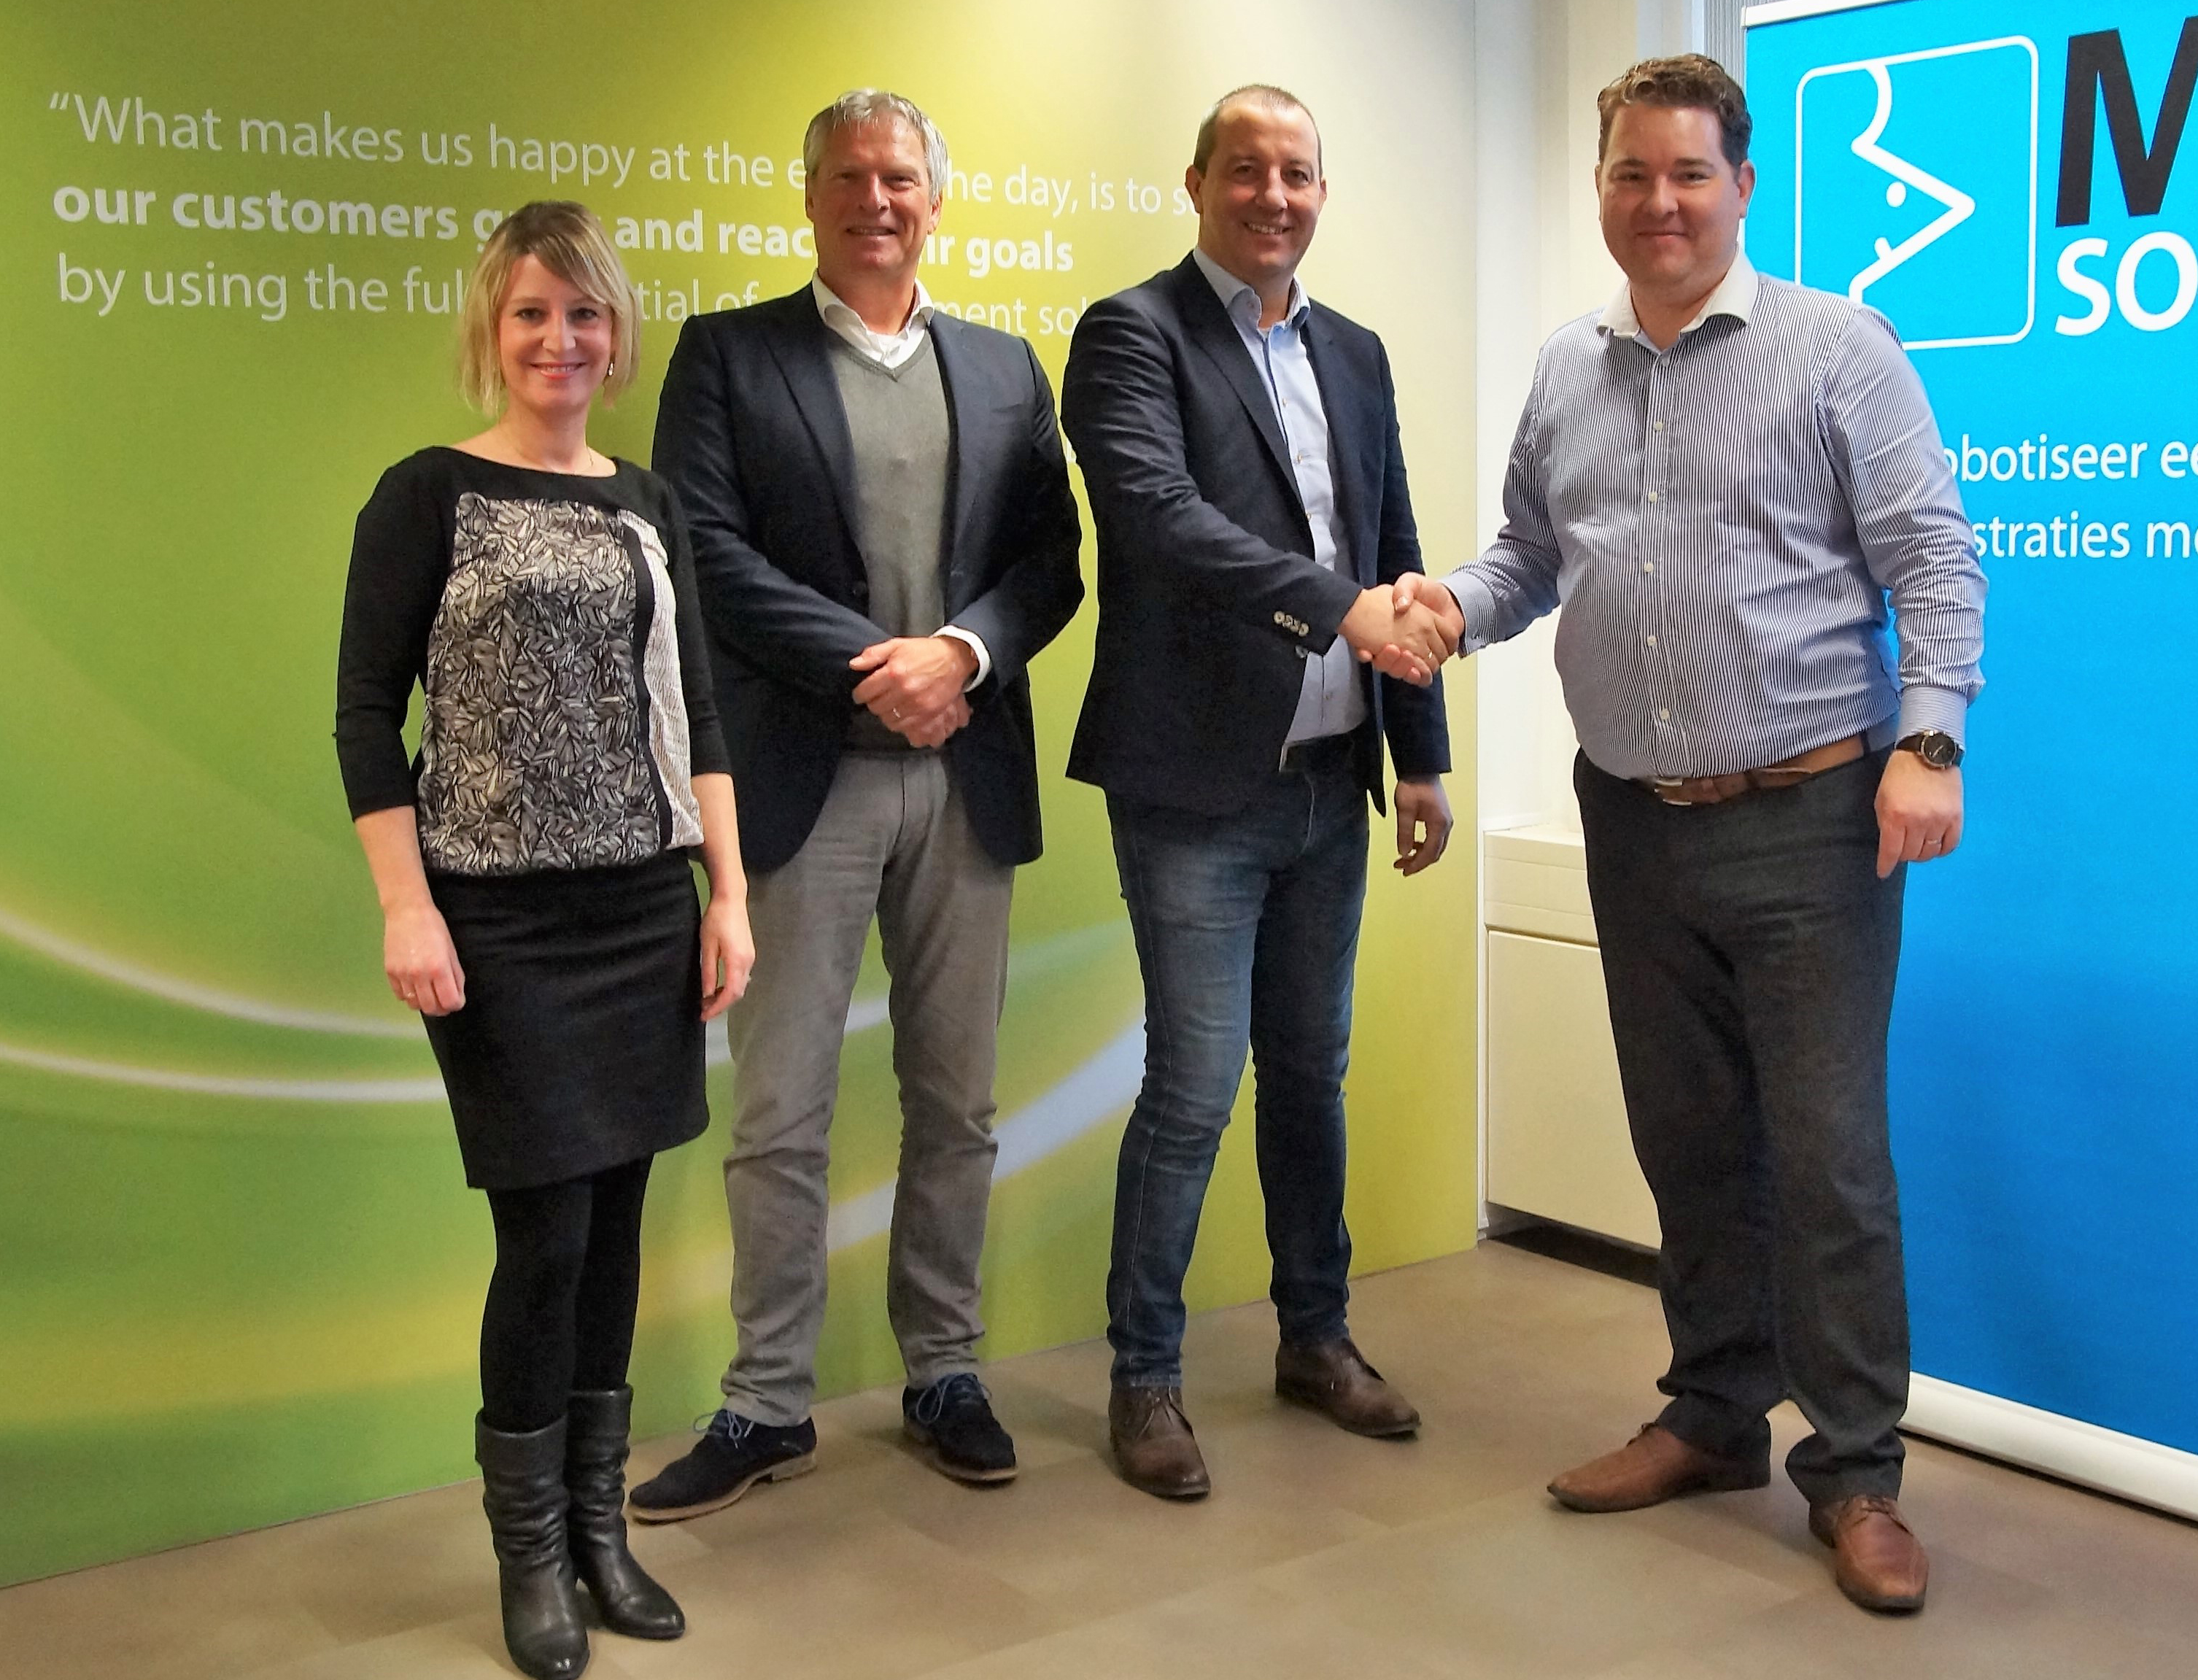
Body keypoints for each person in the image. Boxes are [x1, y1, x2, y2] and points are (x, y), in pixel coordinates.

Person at [1388, 56, 1985, 1613]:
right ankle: (1716, 1415)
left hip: (1810, 821)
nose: (1659, 202)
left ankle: (1857, 1473)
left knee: (1830, 1160)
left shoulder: (1836, 349)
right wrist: (1452, 607)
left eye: (1689, 173)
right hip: (1634, 820)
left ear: (1743, 185)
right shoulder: (1567, 369)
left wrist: (1929, 741)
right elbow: (1532, 557)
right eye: (1631, 174)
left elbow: (1933, 557)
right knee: (1690, 1141)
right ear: (1601, 186)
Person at [630, 90, 1084, 1519]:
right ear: (810, 195)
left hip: (965, 774)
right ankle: (768, 1402)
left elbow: (1053, 560)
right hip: (800, 784)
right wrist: (878, 667)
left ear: (934, 201)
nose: (874, 199)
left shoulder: (1004, 367)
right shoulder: (728, 356)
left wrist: (964, 655)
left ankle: (944, 1370)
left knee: (958, 1102)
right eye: (847, 177)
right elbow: (701, 548)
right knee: (781, 1112)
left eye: (898, 178)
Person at [334, 201, 750, 1678]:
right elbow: (363, 716)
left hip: (642, 908)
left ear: (614, 334)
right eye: (530, 313)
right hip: (498, 921)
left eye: (583, 313)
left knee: (618, 1225)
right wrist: (407, 904)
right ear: (489, 330)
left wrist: (728, 895)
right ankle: (528, 1556)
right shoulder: (428, 494)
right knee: (547, 1236)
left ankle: (597, 1534)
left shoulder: (646, 499)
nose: (559, 340)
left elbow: (696, 712)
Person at [1061, 85, 1456, 1501]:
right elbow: (1160, 523)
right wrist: (1337, 609)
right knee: (1191, 1087)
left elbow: (1393, 541)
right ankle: (1145, 1377)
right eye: (1246, 170)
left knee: (1308, 1076)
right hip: (1195, 787)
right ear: (1197, 183)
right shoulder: (1133, 334)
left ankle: (1316, 1337)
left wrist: (1420, 752)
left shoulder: (1353, 350)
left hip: (1329, 782)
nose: (1272, 196)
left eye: (1296, 173)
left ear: (1320, 193)